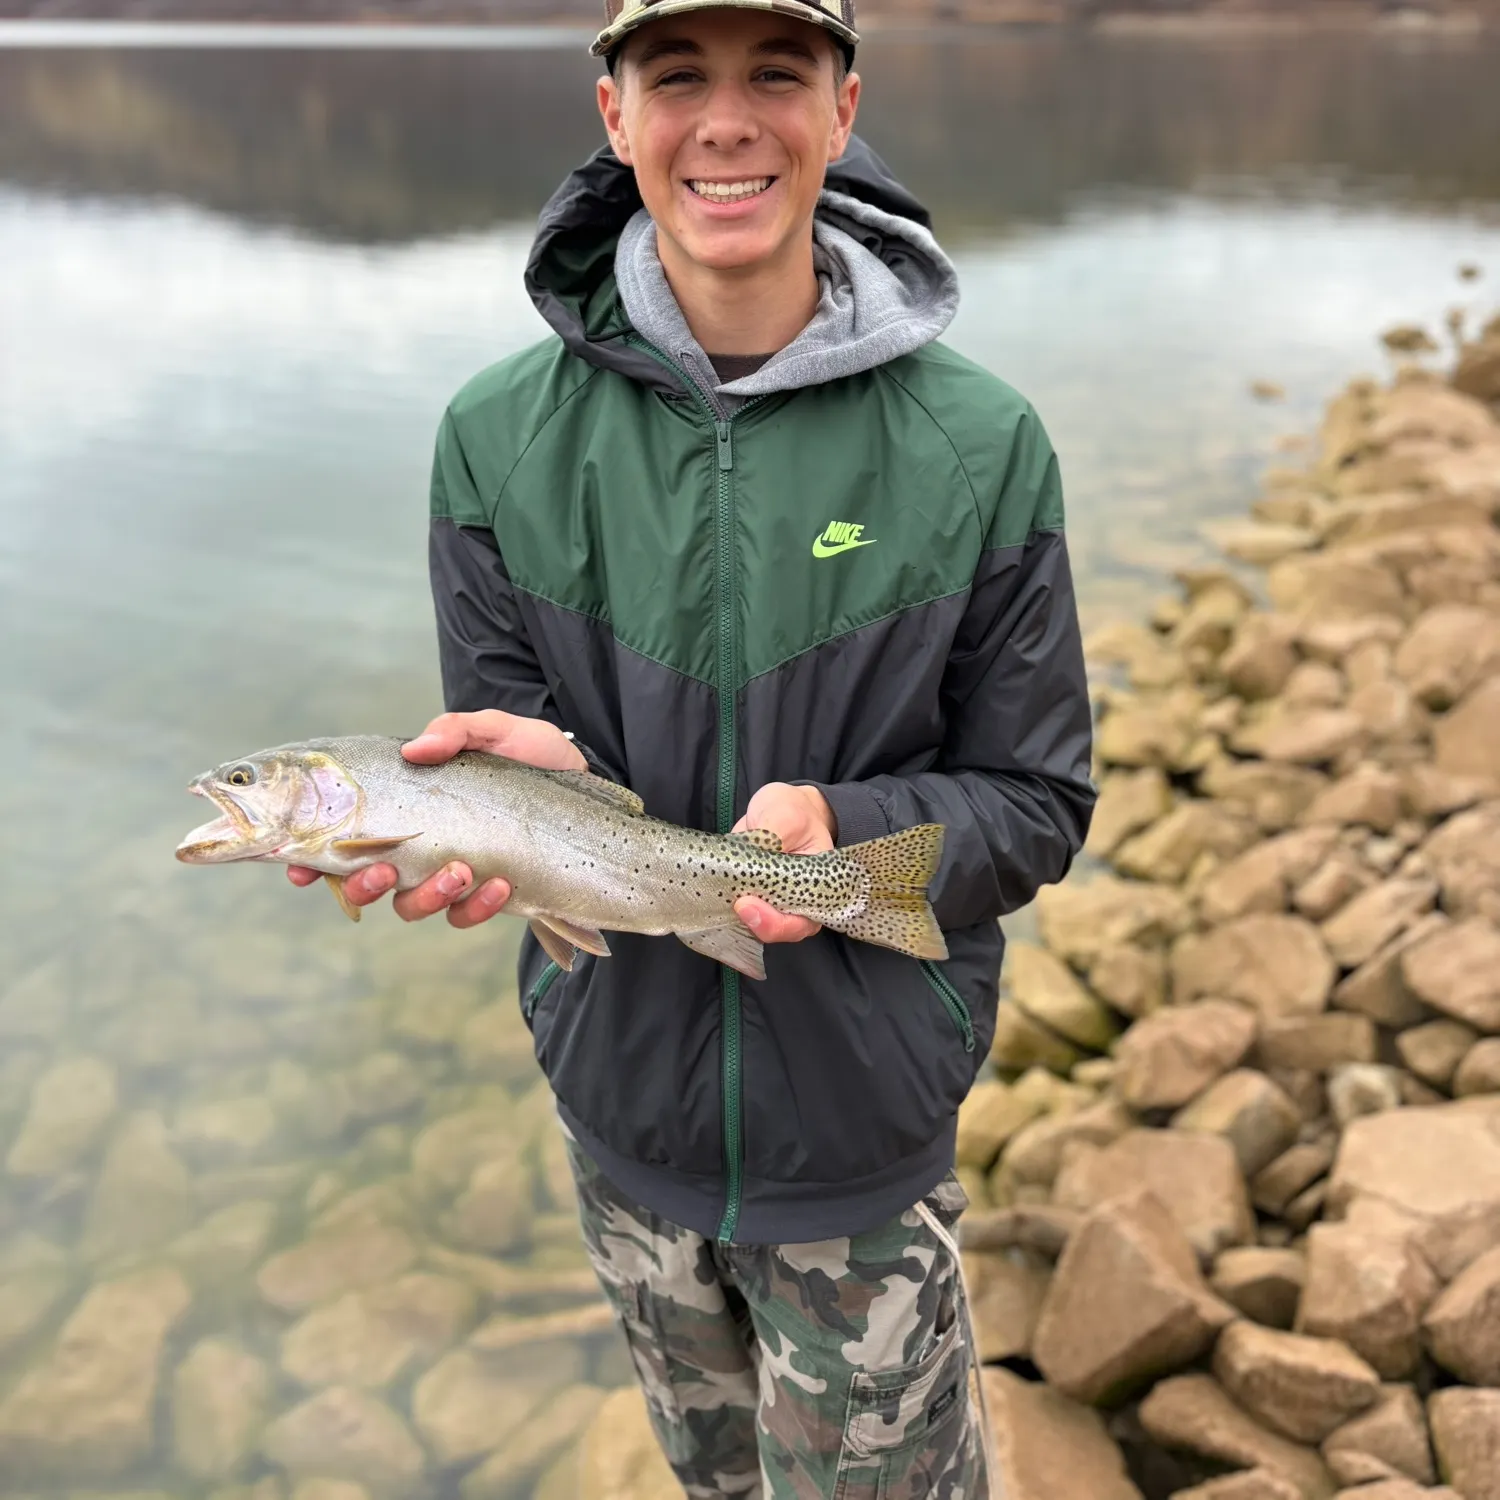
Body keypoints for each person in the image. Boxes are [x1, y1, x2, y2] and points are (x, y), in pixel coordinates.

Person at [291, 0, 1095, 1491]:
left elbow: (1037, 799)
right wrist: (500, 821)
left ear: (844, 108)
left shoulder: (982, 447)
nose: (726, 120)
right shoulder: (494, 440)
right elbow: (499, 747)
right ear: (614, 114)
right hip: (623, 1129)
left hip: (863, 1145)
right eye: (677, 76)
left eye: (776, 73)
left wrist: (847, 837)